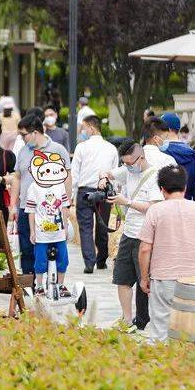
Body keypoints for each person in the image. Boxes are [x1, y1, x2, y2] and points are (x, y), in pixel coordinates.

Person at [139, 165, 195, 342]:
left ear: (162, 190)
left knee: (160, 329)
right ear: (184, 187)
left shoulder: (155, 211)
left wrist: (144, 278)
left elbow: (145, 249)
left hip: (164, 278)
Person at [101, 141, 163, 332]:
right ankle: (127, 320)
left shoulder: (154, 176)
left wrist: (126, 201)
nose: (127, 167)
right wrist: (103, 178)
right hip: (128, 233)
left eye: (130, 163)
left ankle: (145, 322)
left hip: (145, 235)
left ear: (141, 157)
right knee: (122, 277)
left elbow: (154, 206)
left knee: (144, 281)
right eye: (124, 164)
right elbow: (108, 172)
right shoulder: (127, 170)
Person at [9, 115, 71, 275]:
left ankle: (55, 286)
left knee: (54, 250)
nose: (21, 138)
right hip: (26, 209)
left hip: (52, 210)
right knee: (27, 250)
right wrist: (12, 206)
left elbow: (67, 178)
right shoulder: (23, 151)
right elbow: (16, 178)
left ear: (35, 132)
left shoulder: (58, 150)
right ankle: (31, 287)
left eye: (24, 134)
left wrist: (67, 205)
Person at [71, 115, 118, 273]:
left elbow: (75, 174)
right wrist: (115, 194)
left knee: (85, 227)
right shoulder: (111, 148)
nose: (82, 132)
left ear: (91, 128)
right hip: (104, 192)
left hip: (85, 191)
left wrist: (72, 194)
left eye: (84, 128)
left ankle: (89, 263)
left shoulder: (81, 147)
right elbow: (115, 174)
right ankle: (101, 260)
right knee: (102, 226)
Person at [25, 150, 72, 297]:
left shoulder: (60, 186)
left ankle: (61, 285)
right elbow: (31, 210)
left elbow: (64, 207)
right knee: (40, 261)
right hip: (41, 233)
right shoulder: (33, 187)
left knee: (63, 259)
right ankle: (39, 286)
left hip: (58, 231)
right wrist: (32, 231)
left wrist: (65, 226)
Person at [150, 114, 195, 200]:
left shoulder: (160, 151)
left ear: (166, 130)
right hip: (186, 204)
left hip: (163, 205)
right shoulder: (192, 153)